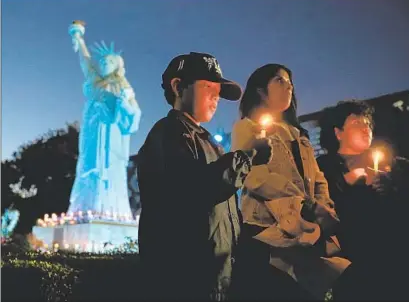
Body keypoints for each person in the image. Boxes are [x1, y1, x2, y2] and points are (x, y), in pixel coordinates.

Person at [137, 52, 272, 301]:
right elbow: (198, 188)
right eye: (208, 86)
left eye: (218, 90)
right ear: (178, 87)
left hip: (216, 282)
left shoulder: (208, 142)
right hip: (184, 282)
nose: (216, 96)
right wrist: (247, 155)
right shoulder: (168, 134)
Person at [230, 63, 351, 301]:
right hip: (265, 231)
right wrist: (308, 205)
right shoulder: (247, 128)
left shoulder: (298, 135)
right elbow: (256, 177)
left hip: (303, 232)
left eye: (290, 83)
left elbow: (317, 178)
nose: (289, 87)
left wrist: (323, 204)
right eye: (280, 81)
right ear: (260, 91)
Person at [317, 99, 409, 300]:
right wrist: (347, 183)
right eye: (356, 124)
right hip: (352, 268)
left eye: (368, 124)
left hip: (395, 265)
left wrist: (392, 189)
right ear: (338, 133)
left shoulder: (395, 166)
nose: (365, 129)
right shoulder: (324, 168)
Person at [67, 21, 141, 219]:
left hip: (111, 137)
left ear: (117, 66)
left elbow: (134, 116)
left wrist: (124, 103)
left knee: (109, 172)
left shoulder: (123, 88)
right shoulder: (95, 81)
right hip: (92, 132)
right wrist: (78, 38)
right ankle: (83, 209)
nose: (104, 64)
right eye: (103, 61)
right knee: (87, 168)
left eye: (109, 62)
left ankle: (112, 212)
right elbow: (86, 60)